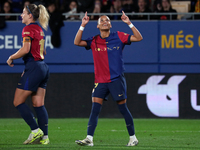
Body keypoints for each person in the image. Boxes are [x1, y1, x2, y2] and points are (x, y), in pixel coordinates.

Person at [74, 11, 143, 146]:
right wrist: (82, 25)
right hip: (100, 81)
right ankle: (89, 139)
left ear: (110, 25)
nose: (105, 22)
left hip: (116, 79)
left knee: (123, 109)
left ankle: (133, 138)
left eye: (108, 20)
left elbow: (139, 37)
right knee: (95, 109)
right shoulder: (94, 40)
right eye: (102, 21)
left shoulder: (119, 36)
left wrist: (129, 23)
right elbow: (77, 42)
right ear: (98, 26)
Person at [6, 3, 50, 145]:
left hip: (34, 67)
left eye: (24, 13)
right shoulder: (39, 29)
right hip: (43, 67)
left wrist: (11, 57)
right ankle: (44, 138)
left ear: (30, 15)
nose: (21, 15)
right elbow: (43, 52)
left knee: (18, 101)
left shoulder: (28, 29)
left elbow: (26, 49)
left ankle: (35, 130)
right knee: (38, 104)